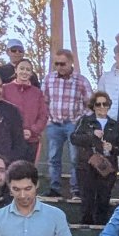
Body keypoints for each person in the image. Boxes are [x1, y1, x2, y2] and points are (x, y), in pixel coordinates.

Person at [43, 49, 92, 198]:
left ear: (71, 62)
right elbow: (43, 100)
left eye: (62, 63)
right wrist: (47, 118)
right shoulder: (48, 79)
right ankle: (54, 188)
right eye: (56, 64)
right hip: (54, 124)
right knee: (53, 158)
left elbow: (90, 103)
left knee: (75, 158)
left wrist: (81, 120)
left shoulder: (81, 80)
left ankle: (76, 189)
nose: (59, 67)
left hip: (73, 124)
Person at [70, 91, 119, 225]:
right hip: (86, 166)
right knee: (87, 199)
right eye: (98, 104)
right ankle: (85, 229)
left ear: (109, 106)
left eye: (104, 104)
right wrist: (91, 135)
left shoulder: (115, 125)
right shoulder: (85, 121)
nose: (101, 106)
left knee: (103, 199)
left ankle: (101, 228)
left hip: (106, 167)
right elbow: (74, 138)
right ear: (93, 106)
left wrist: (112, 148)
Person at [1, 58, 48, 163]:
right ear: (16, 70)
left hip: (31, 141)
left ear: (31, 73)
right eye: (22, 68)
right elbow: (1, 113)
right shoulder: (5, 89)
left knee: (27, 172)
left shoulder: (38, 93)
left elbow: (43, 115)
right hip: (10, 140)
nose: (24, 72)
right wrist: (17, 132)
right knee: (9, 172)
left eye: (28, 70)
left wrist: (31, 131)